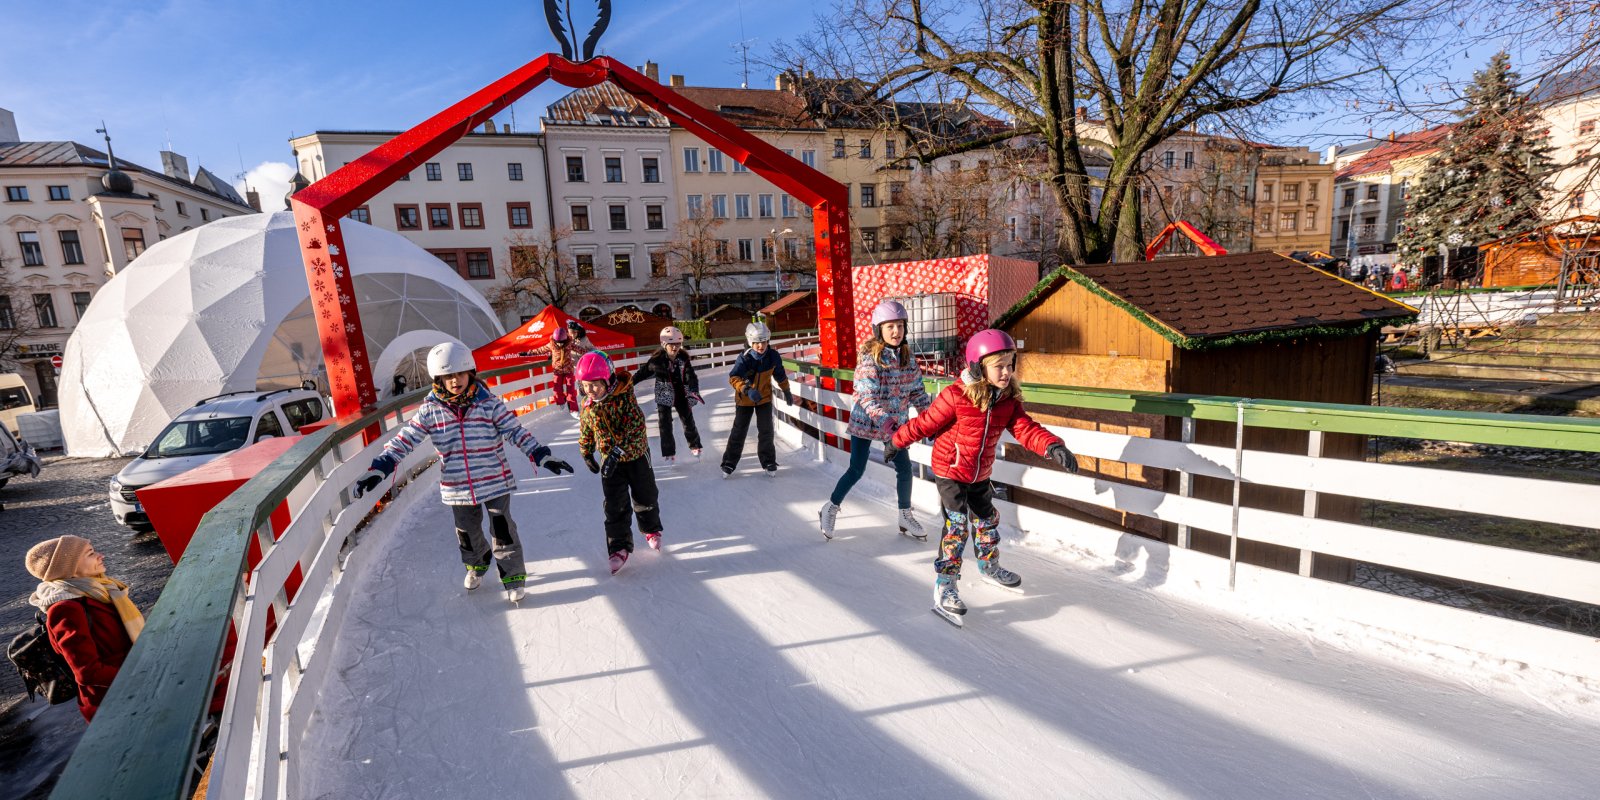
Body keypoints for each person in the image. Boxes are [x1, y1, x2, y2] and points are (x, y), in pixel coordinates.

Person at [353, 342, 574, 604]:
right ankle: (477, 564)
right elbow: (406, 439)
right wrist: (380, 468)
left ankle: (513, 576)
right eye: (447, 376)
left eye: (459, 374)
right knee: (467, 532)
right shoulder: (431, 410)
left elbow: (515, 430)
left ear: (471, 373)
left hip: (494, 480)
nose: (454, 381)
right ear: (439, 379)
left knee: (502, 529)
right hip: (457, 485)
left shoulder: (488, 404)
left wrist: (541, 454)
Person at [891, 329, 1078, 624]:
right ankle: (945, 584)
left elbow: (1026, 429)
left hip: (979, 473)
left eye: (1009, 364)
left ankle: (988, 566)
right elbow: (925, 424)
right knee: (957, 527)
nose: (1006, 372)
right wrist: (896, 441)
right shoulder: (955, 396)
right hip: (950, 470)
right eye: (998, 366)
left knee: (987, 520)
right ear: (978, 367)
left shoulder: (1007, 401)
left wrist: (1053, 445)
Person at [818, 300, 933, 540]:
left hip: (895, 425)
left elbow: (917, 394)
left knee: (904, 469)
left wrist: (933, 419)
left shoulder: (908, 359)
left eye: (900, 326)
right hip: (867, 422)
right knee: (856, 469)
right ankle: (830, 507)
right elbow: (867, 396)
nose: (896, 331)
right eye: (890, 326)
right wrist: (887, 424)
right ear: (878, 329)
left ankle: (904, 515)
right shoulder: (870, 358)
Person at [26, 535, 143, 721]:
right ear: (70, 569)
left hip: (133, 689)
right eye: (91, 553)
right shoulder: (66, 609)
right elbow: (88, 672)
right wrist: (142, 677)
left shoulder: (101, 590)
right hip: (117, 702)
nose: (100, 555)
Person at [574, 350, 663, 574]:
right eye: (586, 385)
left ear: (608, 379)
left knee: (646, 496)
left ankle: (651, 529)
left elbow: (636, 428)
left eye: (595, 384)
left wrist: (616, 452)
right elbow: (586, 429)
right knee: (615, 506)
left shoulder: (624, 398)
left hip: (636, 456)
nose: (590, 390)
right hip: (610, 462)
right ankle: (618, 547)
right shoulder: (588, 405)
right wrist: (586, 451)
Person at [721, 321, 793, 478]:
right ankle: (729, 462)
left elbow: (780, 373)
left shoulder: (773, 356)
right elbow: (733, 378)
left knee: (766, 430)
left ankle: (768, 461)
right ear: (750, 342)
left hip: (764, 398)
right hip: (744, 400)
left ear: (768, 341)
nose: (760, 346)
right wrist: (747, 389)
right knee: (739, 431)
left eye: (764, 342)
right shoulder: (744, 359)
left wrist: (786, 390)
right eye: (756, 343)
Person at [632, 326, 703, 465]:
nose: (675, 347)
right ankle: (669, 452)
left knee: (688, 420)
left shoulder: (683, 358)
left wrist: (693, 389)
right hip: (664, 393)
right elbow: (641, 374)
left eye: (678, 344)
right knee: (665, 423)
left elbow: (691, 375)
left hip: (681, 393)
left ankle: (695, 445)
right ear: (664, 344)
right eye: (672, 344)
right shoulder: (656, 361)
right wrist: (628, 384)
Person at [532, 326, 583, 417]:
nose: (559, 344)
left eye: (562, 342)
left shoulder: (569, 343)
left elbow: (579, 349)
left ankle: (573, 409)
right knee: (556, 389)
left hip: (568, 370)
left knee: (571, 390)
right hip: (557, 370)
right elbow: (540, 350)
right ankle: (561, 401)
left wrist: (589, 351)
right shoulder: (551, 344)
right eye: (558, 343)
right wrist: (528, 353)